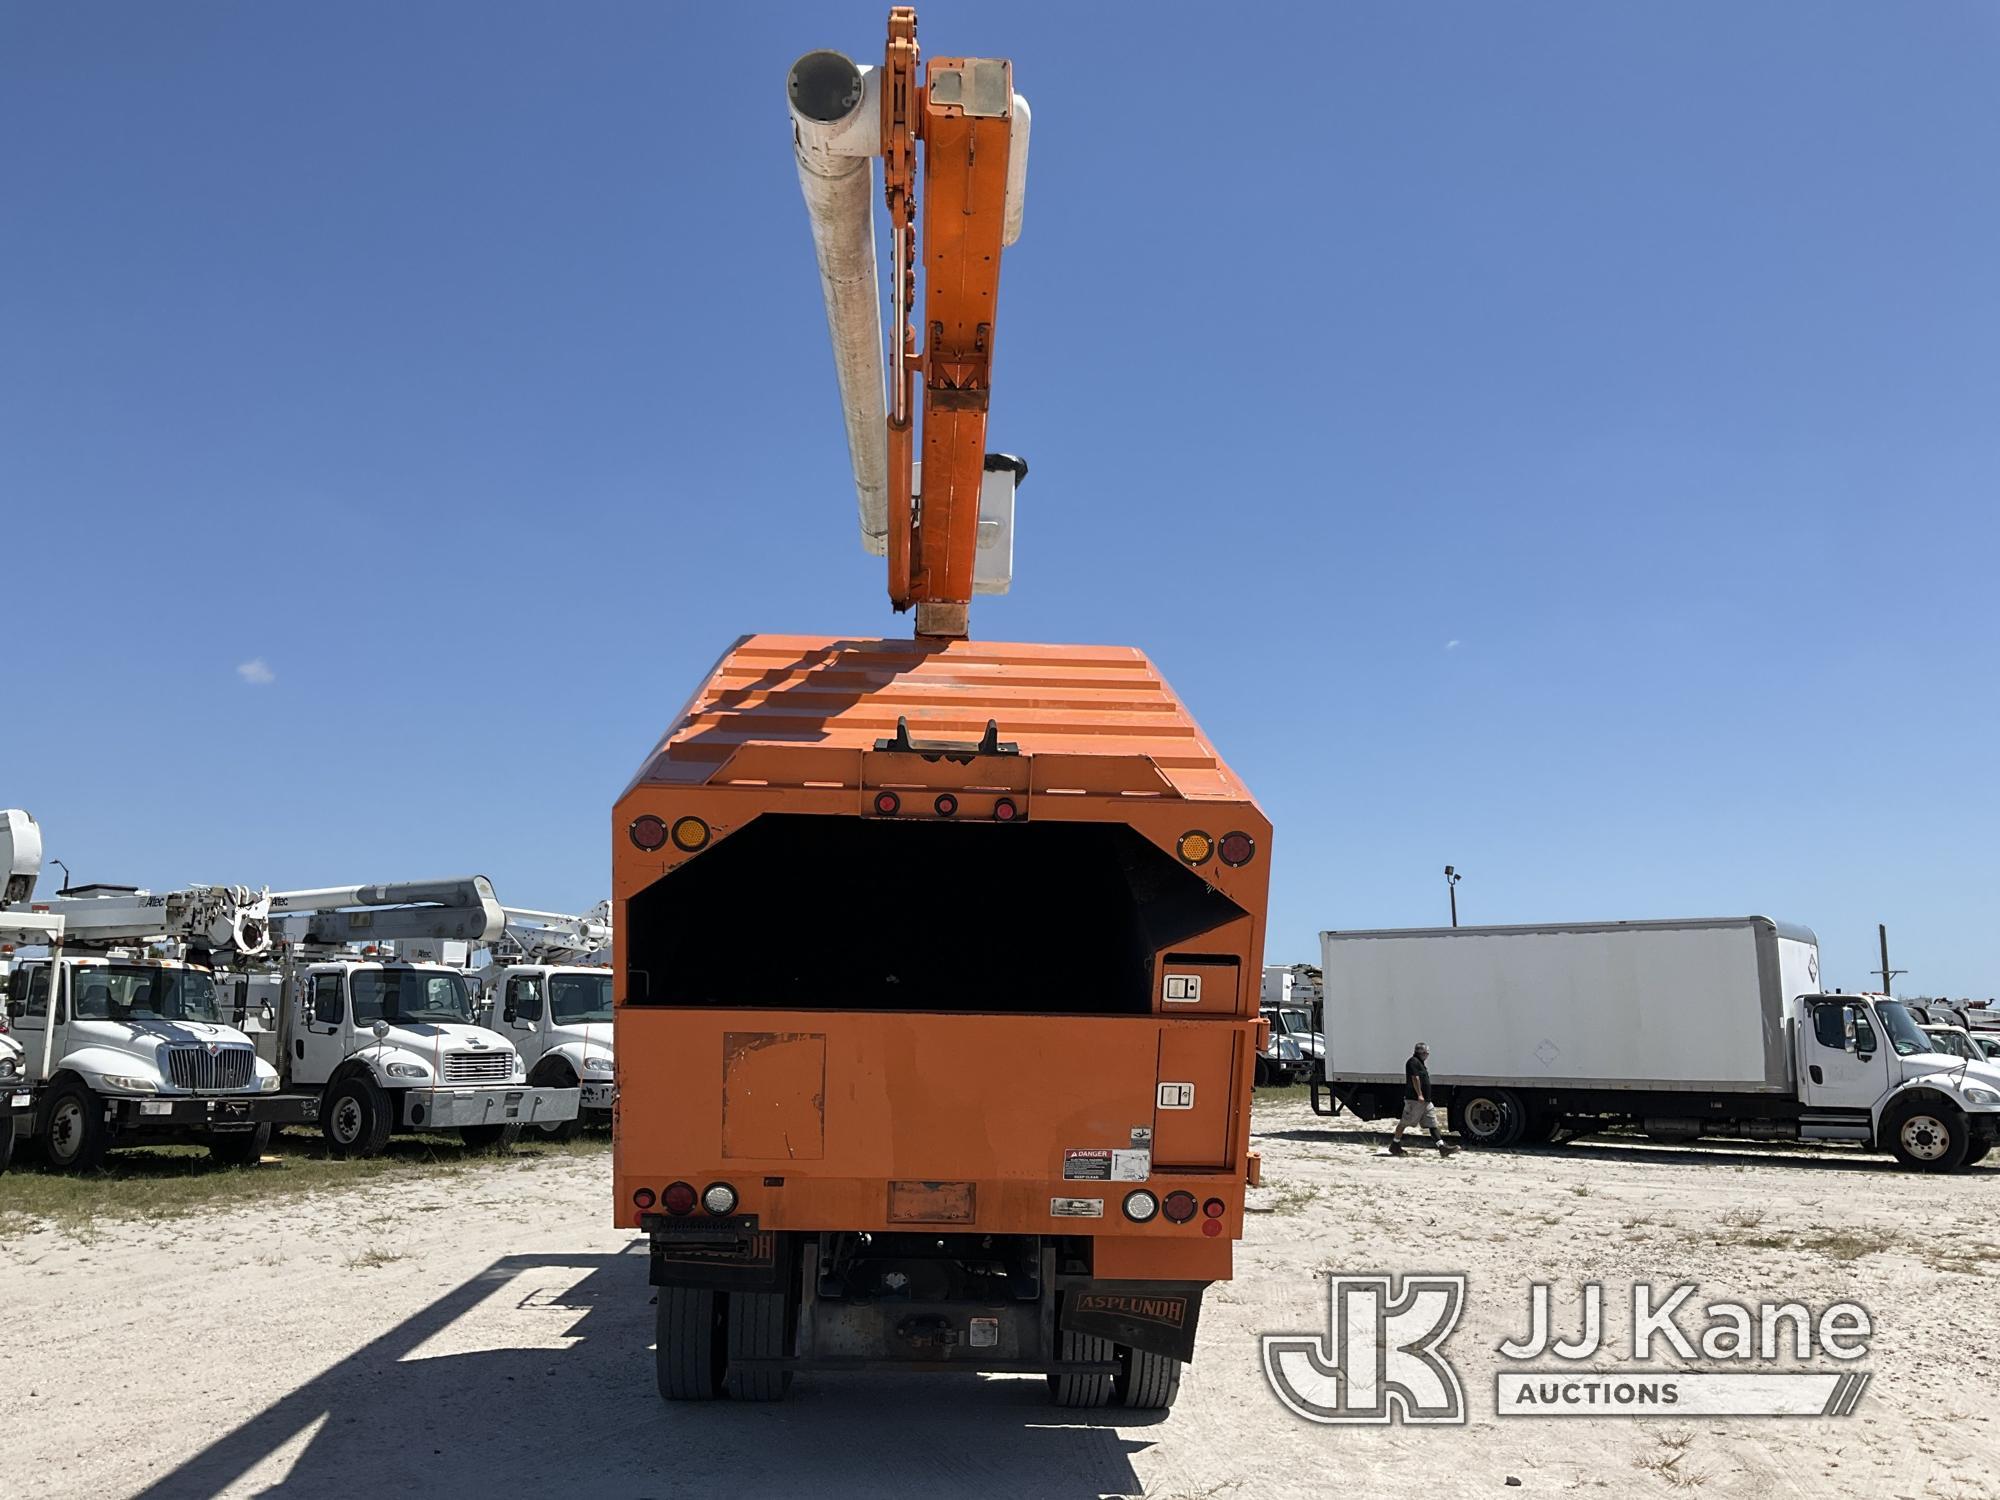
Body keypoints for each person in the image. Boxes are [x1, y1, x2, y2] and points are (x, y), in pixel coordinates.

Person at [1390, 1041, 1456, 1156]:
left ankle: (1442, 1147)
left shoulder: (1420, 1063)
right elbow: (1415, 1078)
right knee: (1404, 1122)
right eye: (1426, 1053)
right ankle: (1395, 1145)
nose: (1427, 1055)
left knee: (1432, 1123)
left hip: (1426, 1101)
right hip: (1415, 1100)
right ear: (1421, 1053)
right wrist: (1419, 1094)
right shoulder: (1413, 1062)